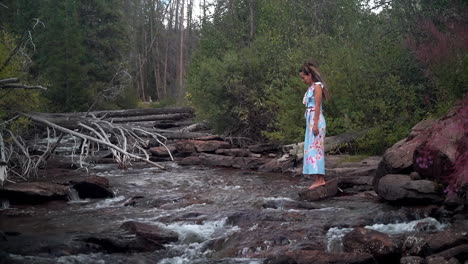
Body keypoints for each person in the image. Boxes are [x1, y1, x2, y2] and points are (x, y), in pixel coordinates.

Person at [299, 61, 330, 189]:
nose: (303, 80)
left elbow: (317, 105)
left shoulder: (317, 86)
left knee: (316, 149)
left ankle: (320, 179)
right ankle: (317, 178)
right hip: (311, 120)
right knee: (311, 149)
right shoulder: (310, 88)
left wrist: (315, 124)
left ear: (310, 75)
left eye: (304, 77)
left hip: (316, 120)